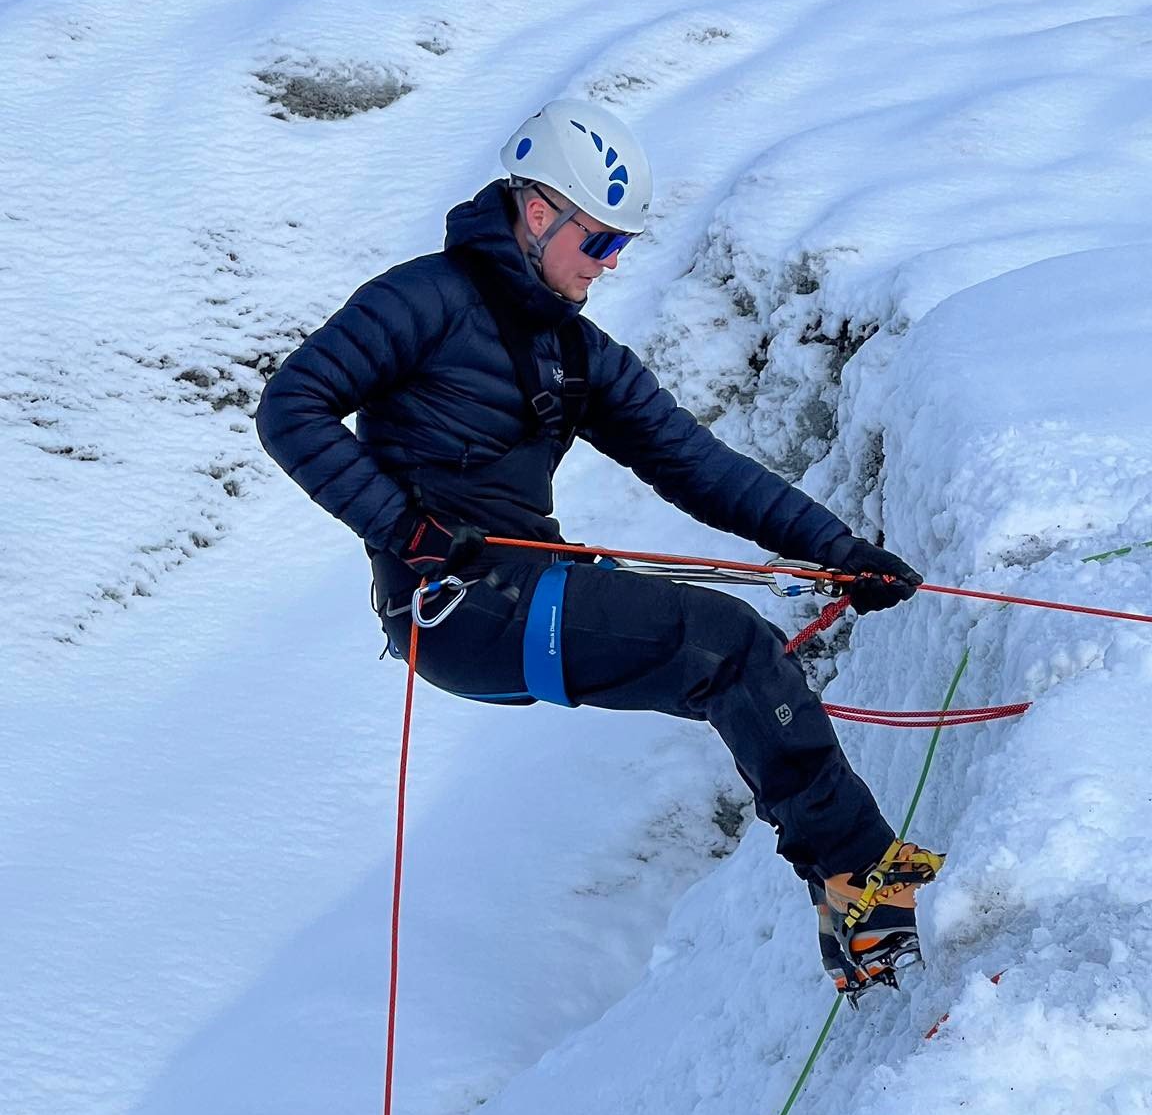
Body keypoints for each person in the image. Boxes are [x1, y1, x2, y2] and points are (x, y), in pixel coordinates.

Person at [255, 98, 942, 998]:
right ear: (539, 214)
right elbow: (290, 406)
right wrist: (406, 533)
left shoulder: (575, 352)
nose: (612, 265)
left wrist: (839, 549)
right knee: (726, 646)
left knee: (730, 655)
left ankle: (853, 918)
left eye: (622, 247)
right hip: (456, 606)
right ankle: (865, 896)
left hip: (524, 585)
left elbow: (695, 464)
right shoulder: (419, 300)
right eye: (600, 243)